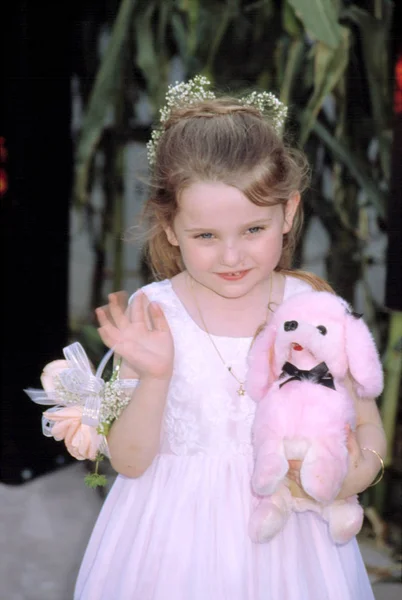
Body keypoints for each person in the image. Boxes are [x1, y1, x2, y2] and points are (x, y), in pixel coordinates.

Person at [74, 77, 386, 599]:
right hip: (170, 548)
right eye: (205, 237)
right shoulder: (154, 316)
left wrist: (356, 475)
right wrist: (154, 378)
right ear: (170, 227)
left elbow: (368, 420)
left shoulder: (309, 305)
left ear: (287, 212)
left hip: (294, 546)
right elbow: (127, 462)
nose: (232, 256)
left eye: (252, 230)